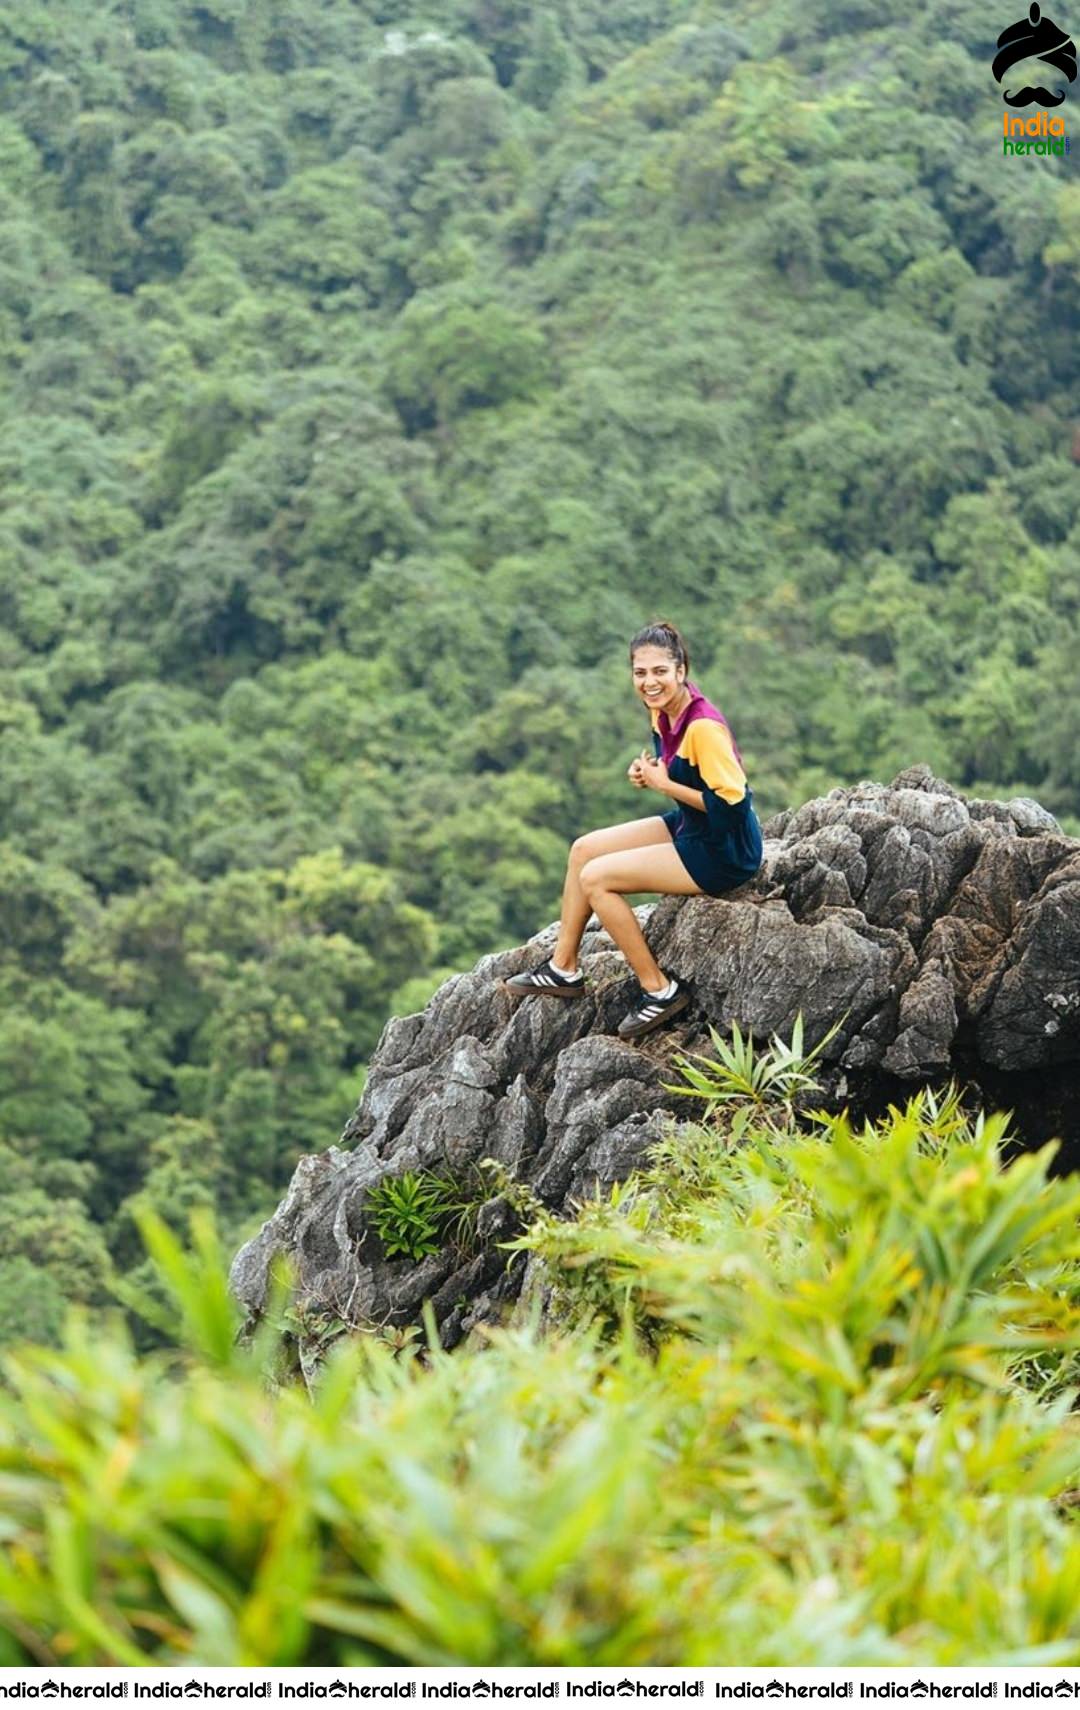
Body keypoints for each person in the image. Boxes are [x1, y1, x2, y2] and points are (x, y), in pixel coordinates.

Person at [502, 620, 764, 1040]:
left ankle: (659, 990)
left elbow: (734, 808)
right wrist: (652, 774)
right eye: (640, 673)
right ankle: (563, 968)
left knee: (598, 879)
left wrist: (665, 785)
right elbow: (680, 773)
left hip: (724, 851)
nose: (649, 682)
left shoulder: (703, 729)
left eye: (660, 671)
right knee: (584, 850)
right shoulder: (663, 711)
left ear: (681, 671)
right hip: (690, 826)